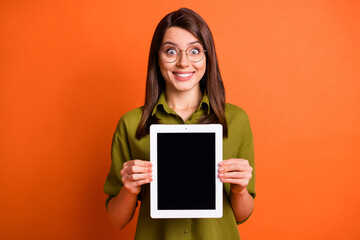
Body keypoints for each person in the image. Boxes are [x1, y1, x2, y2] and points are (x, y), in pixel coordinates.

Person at [104, 8, 255, 240]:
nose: (183, 62)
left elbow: (241, 215)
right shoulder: (131, 124)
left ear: (207, 56)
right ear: (157, 56)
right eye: (171, 51)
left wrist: (240, 189)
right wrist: (129, 189)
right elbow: (117, 219)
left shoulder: (236, 120)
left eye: (194, 51)